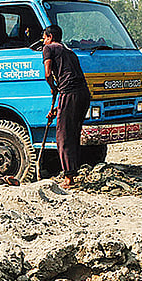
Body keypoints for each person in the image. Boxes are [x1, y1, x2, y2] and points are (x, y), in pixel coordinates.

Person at [41, 25, 91, 189]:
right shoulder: (70, 52)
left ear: (49, 37)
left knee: (63, 137)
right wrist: (56, 108)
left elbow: (48, 73)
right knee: (73, 133)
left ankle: (69, 178)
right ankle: (73, 171)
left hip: (69, 94)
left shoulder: (48, 48)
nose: (43, 41)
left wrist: (52, 86)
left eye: (44, 37)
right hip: (83, 95)